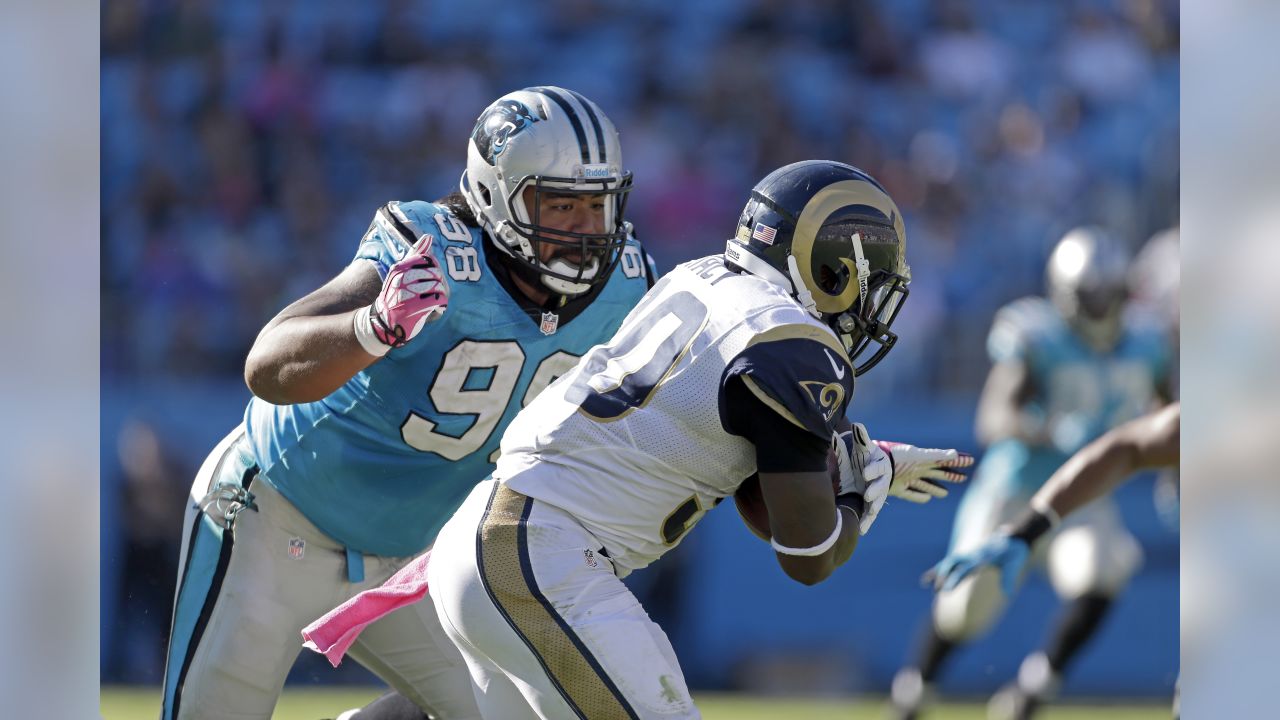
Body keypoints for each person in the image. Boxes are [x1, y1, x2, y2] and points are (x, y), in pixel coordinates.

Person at [160, 86, 656, 720]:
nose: (588, 232)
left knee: (509, 712)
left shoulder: (631, 284)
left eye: (599, 207)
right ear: (497, 194)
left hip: (418, 554)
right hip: (278, 515)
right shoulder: (432, 252)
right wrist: (372, 326)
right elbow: (267, 364)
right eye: (561, 206)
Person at [415, 160, 974, 719]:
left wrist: (873, 460)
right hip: (541, 557)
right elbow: (808, 554)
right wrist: (858, 496)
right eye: (871, 281)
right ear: (834, 267)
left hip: (489, 540)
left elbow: (767, 461)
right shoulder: (792, 346)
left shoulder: (707, 279)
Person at [888, 227, 1173, 720]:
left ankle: (1035, 688)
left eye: (1110, 292)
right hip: (1014, 491)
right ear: (1065, 295)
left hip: (1086, 498)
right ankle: (915, 690)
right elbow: (994, 417)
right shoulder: (1036, 333)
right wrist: (1047, 429)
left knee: (1105, 569)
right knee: (964, 610)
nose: (1103, 305)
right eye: (1092, 295)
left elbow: (1169, 409)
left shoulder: (1147, 339)